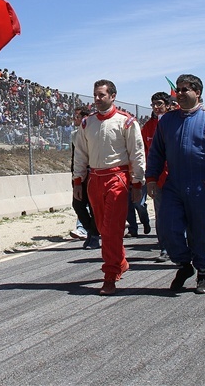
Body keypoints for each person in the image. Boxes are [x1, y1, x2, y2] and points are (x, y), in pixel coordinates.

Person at [145, 74, 205, 294]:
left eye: (185, 89)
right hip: (173, 184)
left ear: (198, 92)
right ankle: (184, 265)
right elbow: (156, 153)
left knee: (203, 231)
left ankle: (204, 271)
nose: (180, 94)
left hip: (202, 185)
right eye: (178, 89)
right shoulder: (167, 121)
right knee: (168, 228)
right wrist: (151, 178)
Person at [72, 79, 146, 296]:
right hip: (94, 180)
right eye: (95, 95)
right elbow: (80, 154)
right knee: (104, 229)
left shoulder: (127, 122)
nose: (97, 99)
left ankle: (110, 275)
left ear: (113, 96)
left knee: (113, 230)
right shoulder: (87, 123)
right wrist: (78, 180)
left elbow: (137, 153)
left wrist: (137, 182)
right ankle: (120, 261)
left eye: (101, 95)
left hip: (117, 178)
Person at [140, 91, 172, 262]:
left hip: (177, 176)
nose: (156, 107)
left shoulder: (176, 121)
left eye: (159, 103)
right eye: (153, 104)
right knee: (161, 214)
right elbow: (145, 152)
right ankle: (165, 248)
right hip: (158, 179)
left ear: (167, 105)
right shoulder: (148, 127)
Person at [70, 106, 100, 249]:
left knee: (94, 206)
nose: (75, 120)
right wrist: (75, 175)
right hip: (80, 174)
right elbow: (75, 157)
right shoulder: (74, 135)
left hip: (94, 173)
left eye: (77, 117)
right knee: (78, 204)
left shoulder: (95, 132)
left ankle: (94, 236)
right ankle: (91, 230)